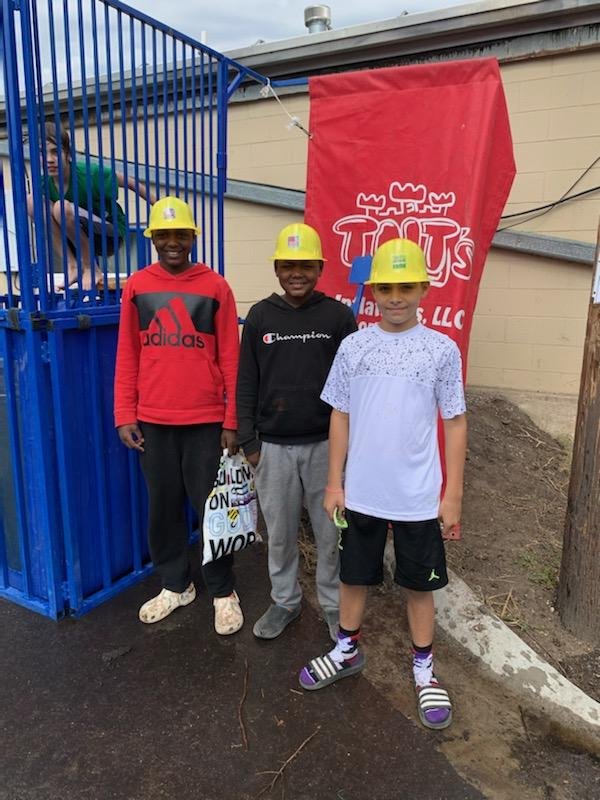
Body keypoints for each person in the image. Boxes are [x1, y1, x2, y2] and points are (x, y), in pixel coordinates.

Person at [298, 238, 467, 731]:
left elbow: (454, 422)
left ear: (423, 289)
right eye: (386, 287)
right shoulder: (355, 346)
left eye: (406, 286)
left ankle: (423, 669)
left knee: (419, 586)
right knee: (354, 575)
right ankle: (346, 650)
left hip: (417, 497)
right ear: (372, 289)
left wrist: (451, 493)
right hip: (363, 492)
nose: (396, 296)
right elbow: (340, 414)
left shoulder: (441, 350)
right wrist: (334, 482)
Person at [114, 196, 243, 635]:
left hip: (206, 421)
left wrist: (232, 420)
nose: (173, 242)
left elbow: (231, 357)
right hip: (153, 421)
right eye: (163, 235)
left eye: (180, 234)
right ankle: (175, 584)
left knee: (213, 510)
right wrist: (124, 413)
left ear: (193, 237)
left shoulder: (215, 286)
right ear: (152, 238)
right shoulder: (136, 286)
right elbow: (127, 355)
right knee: (163, 508)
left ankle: (223, 590)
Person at [237, 222, 357, 642]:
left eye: (305, 265)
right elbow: (246, 380)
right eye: (288, 265)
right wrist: (249, 441)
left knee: (329, 536)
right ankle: (285, 601)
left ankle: (331, 605)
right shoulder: (260, 316)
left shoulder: (338, 317)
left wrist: (347, 452)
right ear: (276, 268)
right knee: (280, 535)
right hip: (273, 448)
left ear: (320, 267)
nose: (296, 273)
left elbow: (351, 386)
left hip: (326, 446)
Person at [28, 121, 155, 290]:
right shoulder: (44, 183)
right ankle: (72, 266)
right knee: (32, 201)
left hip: (109, 234)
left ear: (67, 153)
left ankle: (91, 269)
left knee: (61, 208)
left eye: (55, 152)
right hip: (75, 237)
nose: (50, 159)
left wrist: (159, 204)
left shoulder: (89, 173)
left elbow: (130, 183)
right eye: (43, 153)